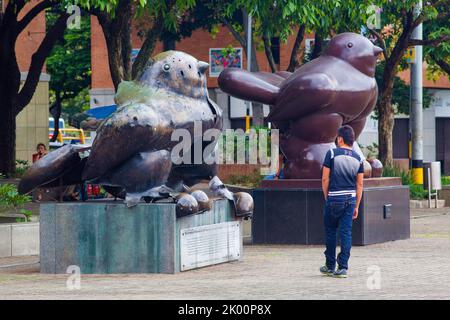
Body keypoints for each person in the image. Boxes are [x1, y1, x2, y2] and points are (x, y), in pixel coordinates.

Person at [319, 125, 364, 278]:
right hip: (350, 200)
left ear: (340, 139)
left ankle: (330, 265)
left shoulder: (331, 153)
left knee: (331, 231)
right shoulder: (358, 158)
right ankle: (343, 267)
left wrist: (327, 196)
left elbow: (325, 178)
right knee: (346, 232)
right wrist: (357, 205)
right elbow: (360, 184)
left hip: (334, 198)